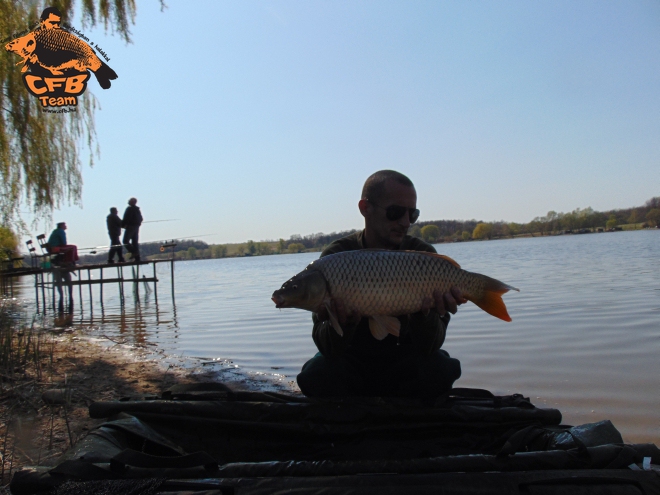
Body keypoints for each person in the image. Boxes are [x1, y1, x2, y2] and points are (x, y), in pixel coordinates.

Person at [296, 170, 466, 400]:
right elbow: (326, 347)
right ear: (365, 208)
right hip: (353, 360)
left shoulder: (424, 256)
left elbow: (430, 346)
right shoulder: (335, 258)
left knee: (440, 371)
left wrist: (425, 315)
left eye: (412, 214)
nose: (405, 222)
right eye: (395, 212)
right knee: (316, 376)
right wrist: (343, 325)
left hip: (405, 359)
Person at [122, 197, 143, 262]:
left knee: (125, 241)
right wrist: (138, 224)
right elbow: (141, 218)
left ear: (132, 202)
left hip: (130, 227)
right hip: (136, 227)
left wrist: (123, 225)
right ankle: (137, 258)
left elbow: (126, 218)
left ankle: (134, 252)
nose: (128, 201)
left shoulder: (129, 209)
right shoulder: (137, 209)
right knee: (135, 242)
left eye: (130, 200)